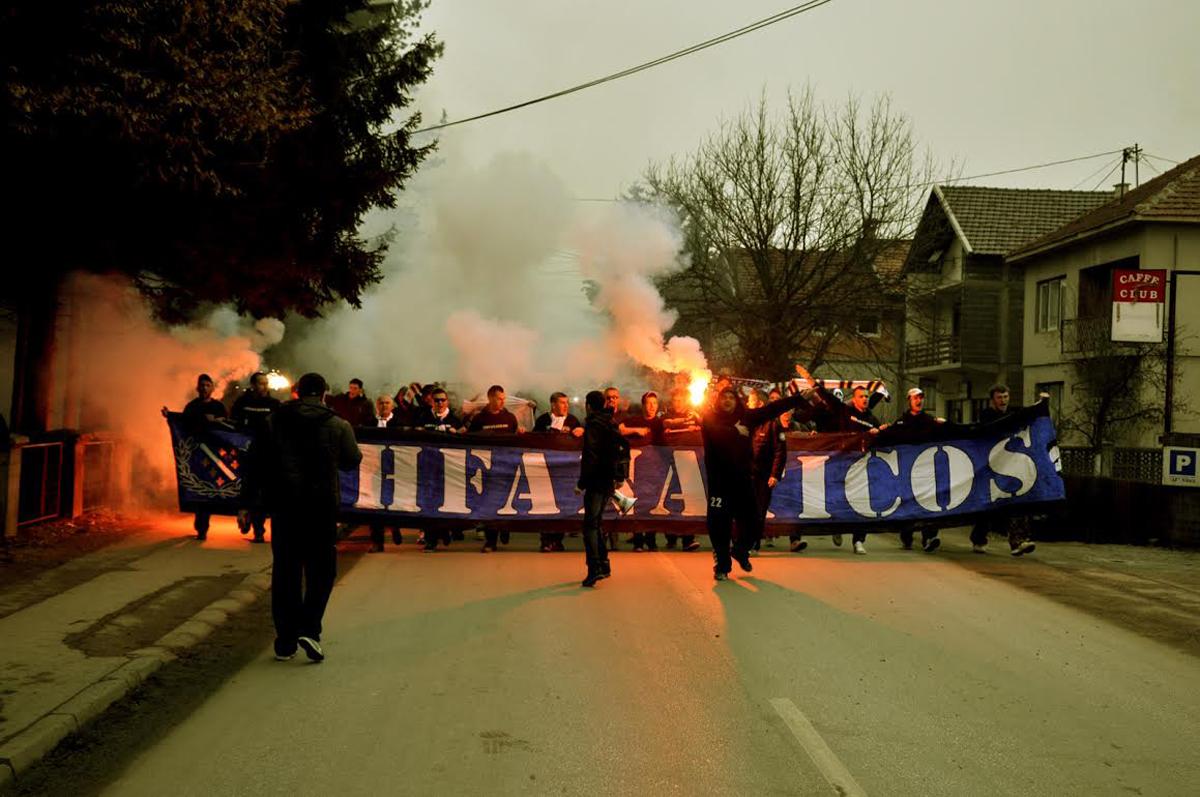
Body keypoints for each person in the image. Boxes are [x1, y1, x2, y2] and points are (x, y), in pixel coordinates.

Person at [263, 372, 362, 662]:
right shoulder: (337, 424)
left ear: (296, 392)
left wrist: (250, 504)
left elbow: (260, 460)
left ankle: (285, 639)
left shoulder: (274, 421)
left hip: (285, 507)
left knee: (286, 573)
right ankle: (309, 628)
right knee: (322, 571)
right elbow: (351, 461)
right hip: (320, 508)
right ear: (324, 394)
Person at [701, 382, 809, 581]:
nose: (727, 400)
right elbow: (714, 432)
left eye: (732, 397)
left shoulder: (746, 417)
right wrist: (735, 431)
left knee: (753, 519)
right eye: (724, 397)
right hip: (719, 482)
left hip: (743, 480)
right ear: (718, 400)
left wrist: (797, 398)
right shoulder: (710, 418)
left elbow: (771, 409)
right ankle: (722, 565)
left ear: (737, 401)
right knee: (719, 524)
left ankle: (741, 550)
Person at [970, 384, 1038, 557]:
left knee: (1015, 502)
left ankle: (1017, 542)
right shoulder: (987, 415)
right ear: (992, 400)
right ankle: (979, 538)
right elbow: (991, 428)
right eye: (999, 397)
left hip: (1010, 467)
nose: (1003, 401)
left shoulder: (1012, 415)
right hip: (988, 466)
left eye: (1006, 397)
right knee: (987, 505)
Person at [577, 390, 631, 587]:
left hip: (595, 481)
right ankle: (604, 564)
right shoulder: (610, 422)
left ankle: (594, 568)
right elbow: (622, 449)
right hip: (608, 481)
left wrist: (581, 483)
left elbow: (590, 456)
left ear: (589, 405)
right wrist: (618, 475)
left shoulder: (593, 425)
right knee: (597, 522)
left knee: (590, 525)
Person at [891, 387, 947, 553]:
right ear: (909, 400)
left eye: (921, 397)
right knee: (908, 504)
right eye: (915, 398)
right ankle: (907, 537)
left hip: (927, 471)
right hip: (906, 471)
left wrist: (947, 425)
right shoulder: (901, 422)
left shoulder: (930, 421)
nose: (919, 400)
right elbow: (888, 439)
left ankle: (929, 538)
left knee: (929, 503)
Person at [231, 372, 281, 543]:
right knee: (249, 492)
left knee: (265, 494)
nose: (265, 386)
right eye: (261, 383)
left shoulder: (274, 404)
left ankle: (261, 529)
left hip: (268, 457)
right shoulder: (242, 403)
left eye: (266, 383)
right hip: (247, 456)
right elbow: (232, 425)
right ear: (253, 385)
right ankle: (251, 523)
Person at [470, 385, 520, 552]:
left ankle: (505, 528)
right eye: (499, 398)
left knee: (506, 501)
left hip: (505, 468)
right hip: (486, 469)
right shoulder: (479, 419)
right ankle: (491, 541)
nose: (502, 402)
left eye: (504, 399)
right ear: (490, 398)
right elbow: (470, 441)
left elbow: (516, 442)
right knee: (490, 504)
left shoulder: (510, 418)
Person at [180, 373, 228, 541]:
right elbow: (182, 424)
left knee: (212, 489)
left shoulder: (218, 407)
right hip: (197, 454)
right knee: (200, 489)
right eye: (202, 385)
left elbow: (229, 427)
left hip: (214, 456)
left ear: (212, 388)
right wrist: (169, 416)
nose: (204, 388)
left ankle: (207, 524)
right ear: (197, 388)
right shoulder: (191, 407)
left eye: (208, 385)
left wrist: (217, 420)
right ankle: (201, 527)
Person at [533, 392, 583, 552]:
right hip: (546, 471)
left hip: (565, 472)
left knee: (562, 504)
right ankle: (546, 540)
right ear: (553, 404)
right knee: (545, 505)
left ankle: (558, 539)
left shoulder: (573, 421)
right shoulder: (543, 420)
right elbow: (532, 439)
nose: (566, 406)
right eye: (562, 403)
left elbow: (581, 441)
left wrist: (581, 431)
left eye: (567, 402)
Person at [661, 389, 703, 552]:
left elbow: (706, 426)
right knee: (671, 499)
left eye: (681, 400)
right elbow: (666, 424)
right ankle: (671, 536)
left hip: (690, 464)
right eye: (675, 400)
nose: (678, 403)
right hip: (670, 463)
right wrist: (683, 422)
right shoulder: (666, 416)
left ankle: (688, 538)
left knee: (690, 501)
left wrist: (698, 419)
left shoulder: (694, 415)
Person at [621, 392, 664, 552]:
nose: (652, 406)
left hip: (654, 470)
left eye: (654, 403)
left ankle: (651, 540)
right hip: (637, 471)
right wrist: (636, 430)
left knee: (652, 505)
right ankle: (638, 540)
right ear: (643, 405)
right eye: (649, 403)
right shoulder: (634, 420)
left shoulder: (659, 423)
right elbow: (620, 428)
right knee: (637, 505)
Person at [750, 389, 789, 555]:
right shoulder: (746, 422)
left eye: (750, 401)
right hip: (746, 474)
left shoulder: (773, 424)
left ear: (759, 404)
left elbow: (780, 451)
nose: (747, 404)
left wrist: (774, 474)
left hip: (763, 476)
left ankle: (754, 543)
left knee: (759, 510)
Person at [367, 394, 405, 552]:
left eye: (387, 403)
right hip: (374, 470)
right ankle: (377, 541)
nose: (384, 406)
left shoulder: (400, 424)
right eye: (381, 403)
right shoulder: (369, 423)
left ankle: (395, 526)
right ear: (377, 405)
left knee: (394, 501)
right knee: (374, 505)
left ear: (392, 405)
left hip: (395, 469)